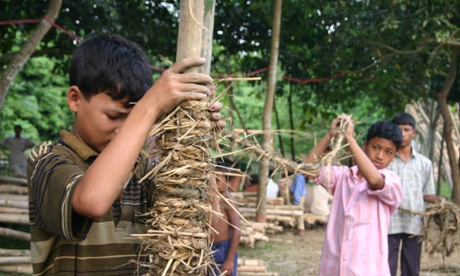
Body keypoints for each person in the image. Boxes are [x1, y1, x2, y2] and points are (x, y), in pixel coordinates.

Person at [27, 34, 225, 275]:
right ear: (75, 99)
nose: (123, 128)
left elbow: (210, 228)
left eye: (131, 118)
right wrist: (149, 108)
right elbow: (92, 200)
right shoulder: (46, 160)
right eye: (113, 116)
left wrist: (196, 145)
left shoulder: (143, 168)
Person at [305, 114, 403, 275]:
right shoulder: (342, 176)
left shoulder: (392, 182)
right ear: (365, 146)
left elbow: (374, 179)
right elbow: (307, 168)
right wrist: (330, 135)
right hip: (334, 267)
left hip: (368, 269)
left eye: (388, 152)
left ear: (394, 156)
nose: (380, 156)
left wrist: (349, 138)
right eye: (376, 147)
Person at [387, 113, 441, 276]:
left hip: (414, 223)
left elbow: (427, 195)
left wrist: (441, 202)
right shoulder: (385, 159)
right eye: (398, 129)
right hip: (389, 220)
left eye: (407, 129)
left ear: (414, 132)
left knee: (411, 267)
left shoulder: (424, 163)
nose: (402, 134)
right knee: (385, 266)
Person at [210, 159, 241, 276]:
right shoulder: (210, 199)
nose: (213, 184)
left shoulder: (227, 199)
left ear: (228, 181)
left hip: (223, 249)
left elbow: (237, 230)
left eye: (217, 180)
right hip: (208, 248)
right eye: (211, 180)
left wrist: (229, 260)